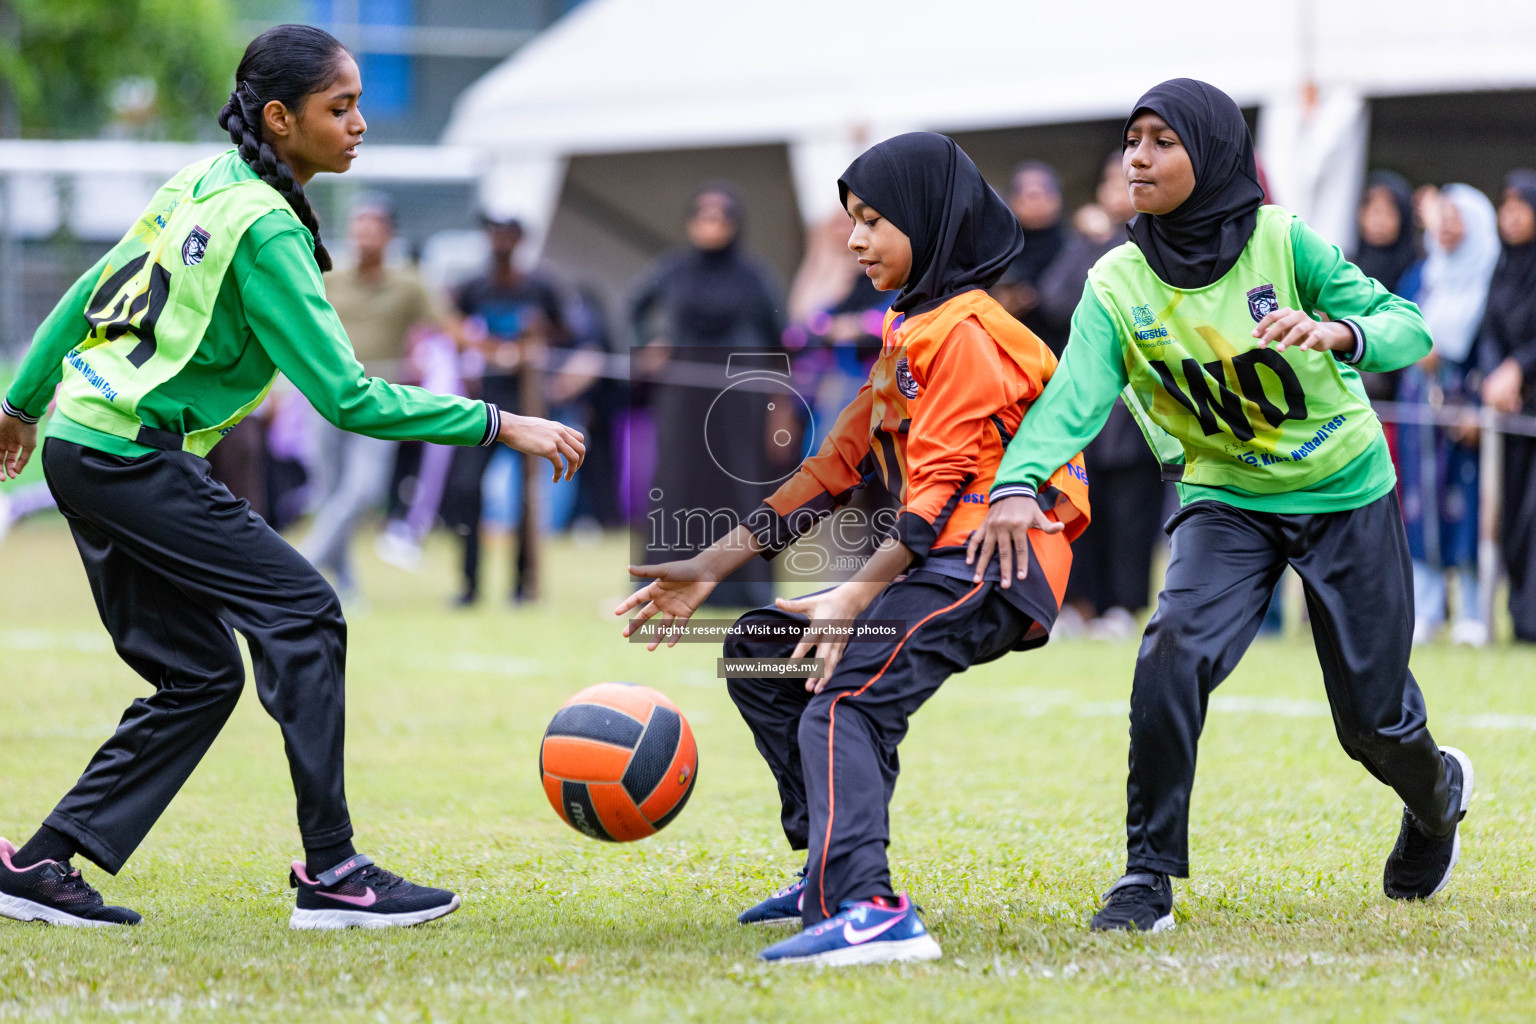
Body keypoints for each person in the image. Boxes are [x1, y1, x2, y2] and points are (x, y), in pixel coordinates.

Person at [0, 25, 584, 929]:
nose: (358, 125)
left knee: (199, 676)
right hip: (126, 452)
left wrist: (24, 405)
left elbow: (87, 293)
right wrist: (499, 422)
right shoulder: (266, 227)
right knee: (304, 613)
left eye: (357, 106)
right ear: (280, 119)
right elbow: (349, 398)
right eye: (339, 108)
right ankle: (335, 873)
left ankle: (41, 863)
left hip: (85, 441)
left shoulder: (203, 182)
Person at [967, 79, 1472, 933]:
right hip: (1225, 498)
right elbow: (1072, 400)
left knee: (1373, 723)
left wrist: (1344, 333)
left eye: (1163, 140)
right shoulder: (1116, 283)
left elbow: (1405, 326)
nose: (1138, 156)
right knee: (1170, 654)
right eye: (1132, 139)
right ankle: (1146, 878)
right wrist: (1017, 481)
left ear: (1213, 153)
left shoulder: (1283, 240)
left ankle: (1437, 797)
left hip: (1345, 489)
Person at [615, 133, 1090, 965]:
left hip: (991, 564)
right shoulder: (913, 327)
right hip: (941, 557)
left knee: (846, 699)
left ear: (931, 222)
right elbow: (832, 467)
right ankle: (827, 873)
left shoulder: (970, 332)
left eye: (874, 220)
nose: (854, 240)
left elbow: (935, 493)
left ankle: (871, 909)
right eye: (850, 221)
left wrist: (853, 594)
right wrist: (710, 564)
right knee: (761, 649)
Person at [628, 183, 787, 609]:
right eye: (703, 217)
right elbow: (636, 308)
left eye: (721, 219)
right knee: (677, 483)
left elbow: (779, 340)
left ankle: (745, 585)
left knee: (740, 484)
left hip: (739, 400)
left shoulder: (754, 275)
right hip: (683, 398)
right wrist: (653, 341)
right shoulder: (674, 270)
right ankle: (665, 577)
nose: (711, 227)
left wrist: (780, 406)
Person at [302, 192, 459, 602]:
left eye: (373, 226)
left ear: (389, 234)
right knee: (330, 495)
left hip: (376, 401)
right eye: (359, 225)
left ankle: (303, 568)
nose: (364, 234)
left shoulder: (408, 283)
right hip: (322, 399)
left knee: (364, 492)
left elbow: (448, 326)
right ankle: (346, 589)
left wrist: (498, 349)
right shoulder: (330, 276)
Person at [1037, 152, 1165, 638]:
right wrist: (1088, 243)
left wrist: (1112, 236)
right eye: (1111, 180)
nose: (1118, 189)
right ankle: (1080, 603)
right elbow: (1056, 300)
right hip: (1089, 405)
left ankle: (1122, 608)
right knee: (1080, 503)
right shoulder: (1086, 243)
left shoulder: (1152, 242)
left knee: (1131, 511)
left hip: (1136, 406)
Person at [440, 215, 568, 605]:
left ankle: (522, 585)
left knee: (527, 494)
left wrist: (539, 334)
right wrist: (478, 349)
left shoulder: (541, 286)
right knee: (466, 488)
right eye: (494, 233)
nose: (500, 241)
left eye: (507, 234)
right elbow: (450, 324)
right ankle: (469, 584)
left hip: (527, 401)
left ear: (520, 240)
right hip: (483, 403)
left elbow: (566, 332)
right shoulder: (474, 287)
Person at [1398, 185, 1499, 646]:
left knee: (1472, 504)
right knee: (1422, 507)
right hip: (1421, 406)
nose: (1450, 227)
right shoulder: (1424, 275)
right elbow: (1392, 323)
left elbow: (1496, 344)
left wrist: (1479, 408)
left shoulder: (1492, 279)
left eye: (1461, 218)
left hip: (1471, 410)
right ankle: (1429, 608)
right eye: (1446, 216)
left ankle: (1475, 613)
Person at [1480, 170, 1536, 642]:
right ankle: (1521, 620)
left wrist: (1519, 366)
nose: (1511, 217)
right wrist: (1498, 372)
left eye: (1522, 207)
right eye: (1506, 206)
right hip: (1511, 412)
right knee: (1513, 517)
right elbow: (1489, 329)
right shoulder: (1502, 267)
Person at [993, 161, 1068, 352]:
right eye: (1028, 194)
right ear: (1011, 199)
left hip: (1067, 349)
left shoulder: (1075, 244)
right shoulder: (997, 249)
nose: (1036, 200)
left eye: (1045, 191)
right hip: (1014, 351)